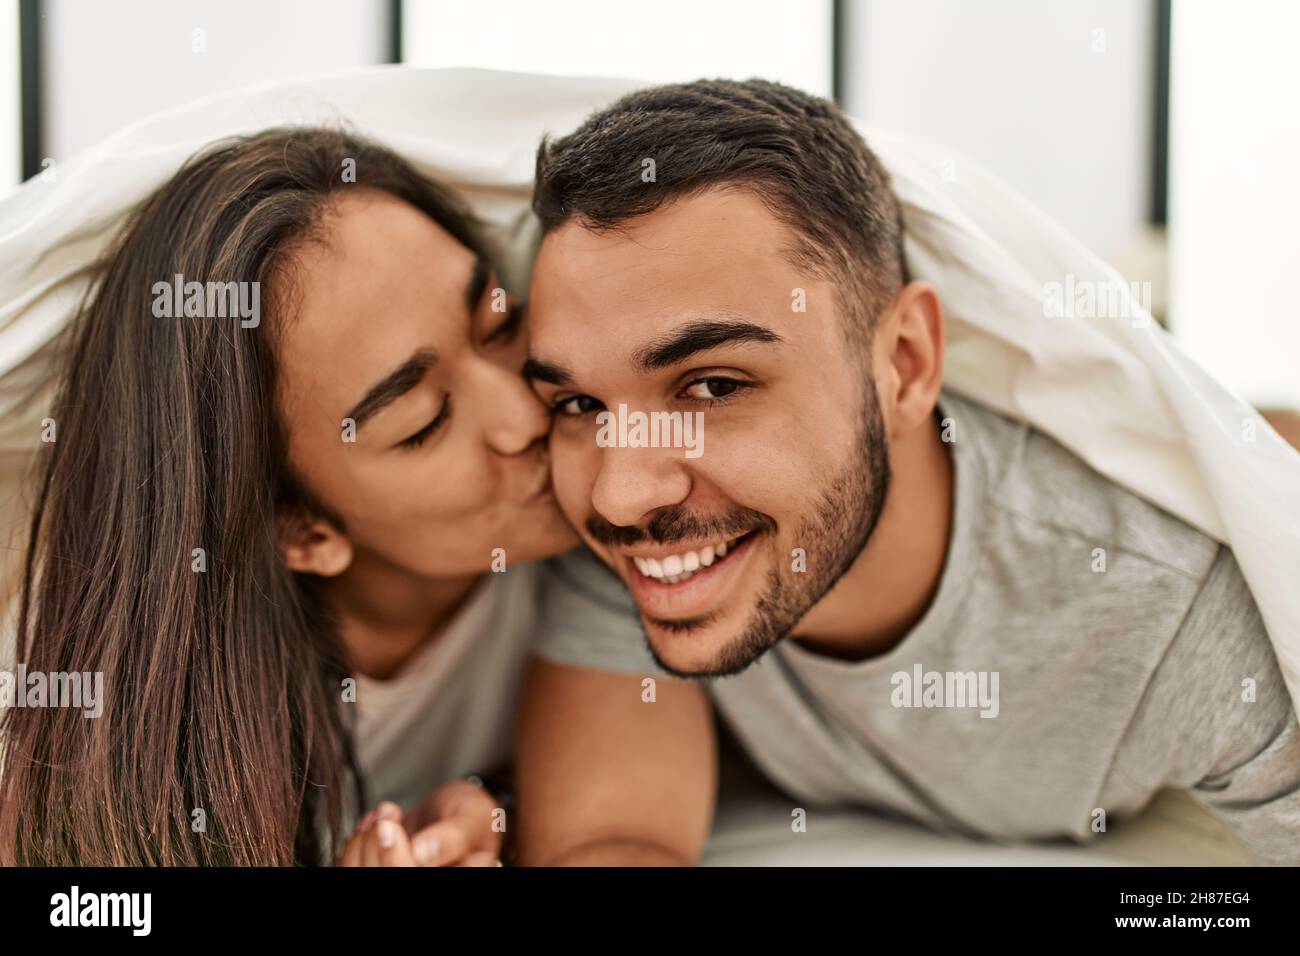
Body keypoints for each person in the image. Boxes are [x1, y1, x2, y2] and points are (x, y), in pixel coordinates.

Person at [514, 79, 1300, 866]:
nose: (621, 496)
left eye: (714, 386)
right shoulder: (636, 557)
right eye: (580, 403)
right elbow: (614, 839)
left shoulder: (1174, 608)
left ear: (906, 363)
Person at [0, 127, 577, 866]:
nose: (527, 416)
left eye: (499, 323)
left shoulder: (609, 530)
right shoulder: (94, 714)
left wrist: (498, 809)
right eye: (424, 423)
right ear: (302, 531)